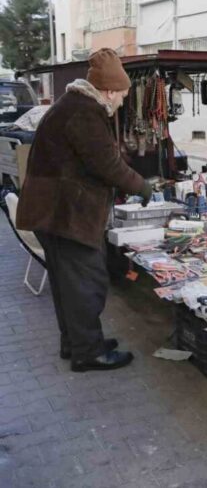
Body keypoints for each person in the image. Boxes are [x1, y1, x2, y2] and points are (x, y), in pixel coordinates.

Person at [16, 48, 151, 372]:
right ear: (108, 91)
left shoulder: (75, 105)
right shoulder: (85, 112)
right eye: (120, 94)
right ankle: (88, 353)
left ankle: (76, 343)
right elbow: (106, 164)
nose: (121, 101)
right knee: (87, 283)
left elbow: (96, 159)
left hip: (53, 212)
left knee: (68, 285)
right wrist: (142, 187)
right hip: (63, 214)